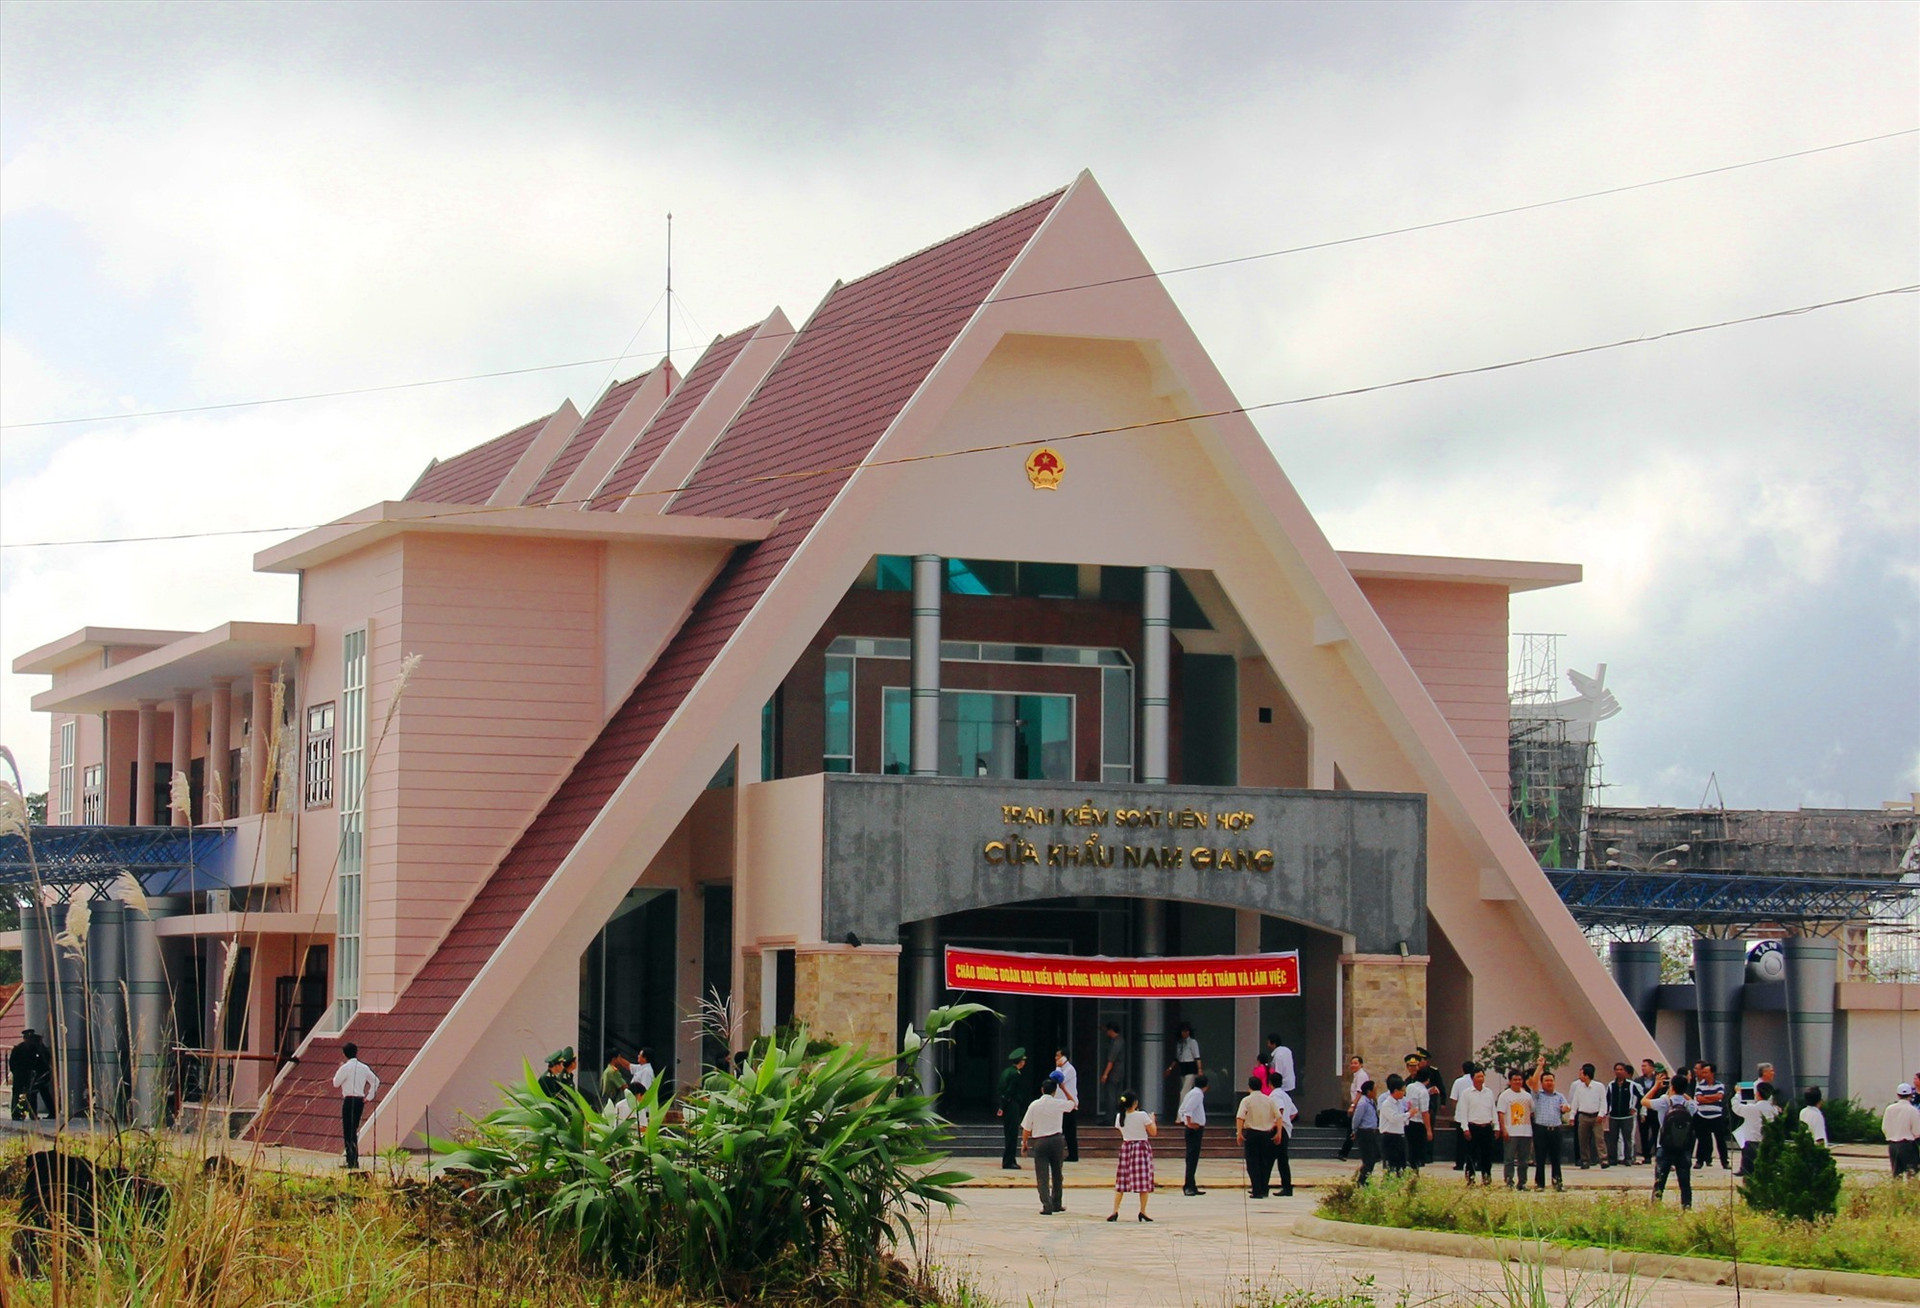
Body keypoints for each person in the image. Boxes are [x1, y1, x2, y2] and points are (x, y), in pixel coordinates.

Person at [1020, 1070, 1075, 1215]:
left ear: (1042, 1090)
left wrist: (1024, 1143)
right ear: (1054, 1091)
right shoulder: (1058, 1103)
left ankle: (1047, 1204)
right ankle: (1057, 1203)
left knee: (1042, 1175)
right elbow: (1073, 1104)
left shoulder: (1034, 1105)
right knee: (1057, 1173)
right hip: (1057, 1140)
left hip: (1041, 1142)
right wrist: (1064, 1088)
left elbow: (1026, 1127)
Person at [1644, 1070, 1696, 1209]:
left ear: (1671, 1086)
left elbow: (1644, 1101)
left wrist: (1656, 1087)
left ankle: (1655, 1208)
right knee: (1685, 1182)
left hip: (1664, 1146)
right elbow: (1692, 1101)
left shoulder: (1664, 1101)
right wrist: (1682, 1091)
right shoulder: (1689, 1104)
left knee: (1660, 1181)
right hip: (1683, 1147)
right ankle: (1686, 1207)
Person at [1108, 1091, 1157, 1221]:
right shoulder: (1142, 1115)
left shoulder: (1120, 1117)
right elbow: (1153, 1132)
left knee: (1122, 1180)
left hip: (1126, 1148)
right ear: (1135, 1103)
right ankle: (1143, 1211)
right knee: (1143, 1181)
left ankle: (1115, 1210)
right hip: (1140, 1148)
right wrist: (1153, 1120)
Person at [333, 1042, 379, 1170]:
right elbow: (376, 1081)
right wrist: (369, 1097)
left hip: (349, 1099)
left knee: (348, 1130)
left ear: (345, 1054)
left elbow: (336, 1083)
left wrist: (340, 1068)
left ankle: (352, 1160)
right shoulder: (363, 1067)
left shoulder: (345, 1068)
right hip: (360, 1100)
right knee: (354, 1128)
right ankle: (353, 1159)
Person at [1236, 1074, 1282, 1198]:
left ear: (1249, 1087)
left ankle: (1256, 1190)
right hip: (1266, 1134)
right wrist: (1279, 1133)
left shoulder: (1247, 1100)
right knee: (1264, 1162)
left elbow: (1240, 1117)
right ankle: (1264, 1188)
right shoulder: (1269, 1099)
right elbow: (1278, 1117)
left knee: (1252, 1163)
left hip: (1252, 1133)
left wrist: (1239, 1133)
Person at [1530, 1062, 1570, 1192]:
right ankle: (1540, 1184)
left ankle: (1557, 1183)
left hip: (1556, 1130)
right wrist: (1540, 1067)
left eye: (1551, 1080)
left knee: (1556, 1159)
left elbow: (1566, 1107)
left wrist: (1566, 1108)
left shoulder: (1559, 1096)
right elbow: (1533, 1081)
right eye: (1546, 1080)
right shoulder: (1538, 1095)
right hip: (1541, 1130)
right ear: (1542, 1083)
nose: (1549, 1083)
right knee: (1540, 1159)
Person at [1457, 1065, 1498, 1185]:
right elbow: (1463, 1112)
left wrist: (1496, 1127)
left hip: (1486, 1127)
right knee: (1471, 1155)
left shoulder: (1489, 1092)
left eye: (1482, 1076)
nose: (1480, 1079)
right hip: (1472, 1127)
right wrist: (1465, 1128)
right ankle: (1470, 1178)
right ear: (1472, 1078)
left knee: (1487, 1155)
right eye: (1478, 1076)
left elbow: (1493, 1110)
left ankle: (1486, 1177)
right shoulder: (1467, 1093)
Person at [1495, 1067, 1534, 1190]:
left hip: (1525, 1132)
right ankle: (1509, 1181)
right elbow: (1500, 1113)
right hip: (1511, 1132)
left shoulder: (1527, 1096)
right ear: (1510, 1081)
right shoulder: (1505, 1096)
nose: (1517, 1082)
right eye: (1515, 1079)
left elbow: (1531, 1112)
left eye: (1519, 1079)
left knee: (1524, 1160)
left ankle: (1522, 1182)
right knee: (1509, 1159)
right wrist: (1503, 1129)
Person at [1730, 1080, 1779, 1177]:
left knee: (1748, 1174)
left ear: (1758, 1094)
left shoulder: (1752, 1108)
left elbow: (1736, 1107)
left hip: (1751, 1143)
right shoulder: (1773, 1110)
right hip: (1766, 1142)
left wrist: (1738, 1093)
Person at [1568, 1063, 1607, 1169]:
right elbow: (1575, 1102)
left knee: (1599, 1138)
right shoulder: (1579, 1087)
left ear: (1586, 1075)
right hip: (1583, 1116)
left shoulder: (1599, 1086)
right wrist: (1572, 1116)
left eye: (1581, 1074)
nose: (1580, 1076)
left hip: (1596, 1116)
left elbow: (1603, 1101)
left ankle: (1603, 1159)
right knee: (1583, 1139)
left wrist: (1601, 1114)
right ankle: (1585, 1160)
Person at [9, 1029, 53, 1121]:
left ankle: (34, 1114)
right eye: (27, 1038)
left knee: (35, 1094)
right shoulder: (18, 1049)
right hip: (21, 1075)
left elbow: (45, 1061)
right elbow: (12, 1063)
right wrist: (17, 1073)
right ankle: (16, 1114)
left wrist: (41, 1073)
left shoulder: (38, 1049)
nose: (29, 1041)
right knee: (18, 1094)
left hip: (37, 1075)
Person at [1692, 1063, 1729, 1169]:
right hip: (1702, 1116)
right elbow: (1699, 1098)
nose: (1704, 1074)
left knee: (1720, 1140)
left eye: (1706, 1072)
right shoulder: (1700, 1085)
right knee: (1703, 1140)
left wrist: (1706, 1097)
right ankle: (1700, 1161)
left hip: (1716, 1116)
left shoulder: (1720, 1085)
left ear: (1712, 1073)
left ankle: (1724, 1161)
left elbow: (1719, 1096)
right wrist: (1712, 1097)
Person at [1177, 1072, 1209, 1195]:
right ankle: (1188, 1186)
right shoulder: (1197, 1094)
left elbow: (1182, 1109)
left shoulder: (1192, 1092)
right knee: (1192, 1158)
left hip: (1193, 1128)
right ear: (1206, 1086)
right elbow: (1188, 1109)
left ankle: (1191, 1184)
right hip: (1194, 1129)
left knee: (1192, 1157)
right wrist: (1189, 1123)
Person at [1267, 1076, 1299, 1196]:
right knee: (1282, 1160)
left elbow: (1279, 1110)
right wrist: (1286, 1121)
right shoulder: (1285, 1095)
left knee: (1269, 1158)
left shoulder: (1275, 1095)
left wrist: (1277, 1125)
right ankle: (1287, 1186)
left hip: (1279, 1129)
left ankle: (1263, 1186)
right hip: (1285, 1128)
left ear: (1270, 1083)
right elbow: (1294, 1112)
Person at [997, 1049, 1028, 1170]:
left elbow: (1001, 1090)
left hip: (1006, 1104)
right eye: (1023, 1061)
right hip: (1012, 1105)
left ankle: (1009, 1160)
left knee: (1009, 1133)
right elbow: (1010, 1091)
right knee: (1012, 1134)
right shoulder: (1015, 1074)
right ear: (1020, 1062)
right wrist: (1004, 1105)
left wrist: (1001, 1106)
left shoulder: (1007, 1071)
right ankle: (1009, 1161)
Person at [1605, 1063, 1640, 1166]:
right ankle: (1613, 1159)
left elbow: (1641, 1097)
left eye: (1621, 1069)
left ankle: (1628, 1158)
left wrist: (1634, 1108)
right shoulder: (1611, 1085)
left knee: (1627, 1138)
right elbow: (1607, 1099)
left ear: (1625, 1071)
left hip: (1627, 1116)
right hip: (1614, 1116)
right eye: (1616, 1069)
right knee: (1613, 1139)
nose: (1618, 1071)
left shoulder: (1631, 1085)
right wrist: (1607, 1111)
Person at [1882, 1083, 1920, 1177]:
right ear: (1911, 1095)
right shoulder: (1912, 1110)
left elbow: (1884, 1128)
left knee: (1896, 1174)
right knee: (1911, 1173)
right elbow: (1917, 1130)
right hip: (1908, 1145)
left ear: (1897, 1095)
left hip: (1893, 1145)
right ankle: (1909, 1191)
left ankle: (1897, 1191)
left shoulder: (1889, 1109)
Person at [1449, 1061, 1479, 1171]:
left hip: (1461, 1116)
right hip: (1474, 1115)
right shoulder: (1476, 1081)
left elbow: (1454, 1099)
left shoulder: (1458, 1082)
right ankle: (1474, 1162)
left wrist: (1457, 1110)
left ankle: (1460, 1163)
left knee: (1460, 1142)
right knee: (1474, 1142)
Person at [1351, 1079, 1382, 1184]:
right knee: (1369, 1159)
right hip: (1365, 1133)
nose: (1376, 1092)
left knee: (1374, 1157)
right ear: (1369, 1091)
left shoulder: (1371, 1101)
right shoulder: (1363, 1103)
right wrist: (1354, 1131)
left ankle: (1365, 1178)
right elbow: (1356, 1118)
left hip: (1372, 1132)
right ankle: (1362, 1181)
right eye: (1375, 1090)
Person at [1054, 1048, 1081, 1162]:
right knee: (1062, 1130)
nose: (1056, 1058)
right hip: (1061, 1104)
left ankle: (1073, 1155)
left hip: (1069, 1104)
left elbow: (1060, 1079)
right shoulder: (1060, 1069)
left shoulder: (1069, 1069)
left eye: (1058, 1056)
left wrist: (1059, 1067)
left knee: (1070, 1132)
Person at [1167, 1021, 1203, 1109]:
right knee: (1187, 1092)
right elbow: (1177, 1058)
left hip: (1191, 1068)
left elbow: (1197, 1057)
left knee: (1183, 1092)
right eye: (1183, 1031)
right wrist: (1170, 1068)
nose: (1185, 1033)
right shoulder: (1180, 1043)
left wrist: (1199, 1069)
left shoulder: (1192, 1042)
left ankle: (1180, 1115)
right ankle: (1187, 1113)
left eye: (1186, 1031)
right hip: (1183, 1068)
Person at [1338, 1055, 1368, 1160]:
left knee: (1352, 1128)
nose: (1353, 1065)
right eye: (1352, 1063)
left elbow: (1360, 1092)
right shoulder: (1357, 1075)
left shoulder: (1361, 1076)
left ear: (1361, 1064)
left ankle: (1343, 1153)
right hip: (1358, 1104)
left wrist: (1353, 1105)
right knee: (1356, 1129)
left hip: (1359, 1105)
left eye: (1356, 1063)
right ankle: (1343, 1152)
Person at [1402, 1063, 1431, 1170]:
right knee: (1418, 1149)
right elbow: (1425, 1112)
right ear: (1427, 1080)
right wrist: (1429, 1130)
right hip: (1418, 1123)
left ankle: (1411, 1167)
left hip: (1409, 1121)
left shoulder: (1410, 1086)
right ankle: (1415, 1169)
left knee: (1410, 1147)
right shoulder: (1423, 1092)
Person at [1379, 1075, 1410, 1176]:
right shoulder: (1387, 1104)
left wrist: (1407, 1116)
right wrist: (1409, 1114)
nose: (1403, 1093)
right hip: (1390, 1137)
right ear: (1396, 1091)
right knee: (1391, 1164)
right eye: (1402, 1090)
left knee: (1401, 1164)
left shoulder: (1399, 1103)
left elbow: (1402, 1120)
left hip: (1399, 1135)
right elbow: (1394, 1118)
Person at [1634, 1059, 1661, 1163]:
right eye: (1642, 1066)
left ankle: (1658, 1154)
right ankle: (1646, 1156)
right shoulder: (1638, 1081)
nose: (1643, 1068)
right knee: (1643, 1133)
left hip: (1655, 1109)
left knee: (1656, 1133)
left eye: (1645, 1066)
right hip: (1642, 1110)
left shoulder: (1658, 1080)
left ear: (1652, 1068)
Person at [1099, 1022, 1126, 1120]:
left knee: (1111, 1096)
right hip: (1120, 1072)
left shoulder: (1116, 1042)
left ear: (1111, 1030)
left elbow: (1111, 1060)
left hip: (1114, 1073)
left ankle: (1110, 1118)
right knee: (1117, 1095)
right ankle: (1118, 1117)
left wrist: (1105, 1074)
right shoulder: (1120, 1040)